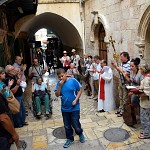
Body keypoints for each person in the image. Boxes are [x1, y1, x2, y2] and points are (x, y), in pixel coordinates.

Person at [55, 68, 85, 148]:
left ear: (65, 74)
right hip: (65, 108)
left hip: (75, 107)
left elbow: (80, 90)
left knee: (75, 124)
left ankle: (80, 133)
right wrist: (60, 85)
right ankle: (69, 139)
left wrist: (76, 100)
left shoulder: (73, 81)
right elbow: (57, 95)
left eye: (62, 76)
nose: (61, 78)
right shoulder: (59, 83)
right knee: (67, 125)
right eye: (59, 77)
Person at [112, 52, 130, 117]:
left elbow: (125, 73)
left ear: (126, 57)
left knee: (125, 98)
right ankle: (120, 109)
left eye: (122, 57)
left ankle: (123, 111)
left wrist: (118, 68)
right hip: (121, 81)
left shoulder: (129, 64)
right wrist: (115, 66)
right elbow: (120, 71)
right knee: (120, 96)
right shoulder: (121, 64)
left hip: (126, 82)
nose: (121, 58)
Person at [137, 64, 150, 139]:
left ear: (143, 70)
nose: (140, 71)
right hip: (147, 102)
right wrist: (140, 88)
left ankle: (146, 134)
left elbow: (147, 92)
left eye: (140, 69)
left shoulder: (146, 79)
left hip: (146, 103)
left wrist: (138, 94)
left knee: (144, 118)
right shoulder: (148, 78)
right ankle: (147, 131)